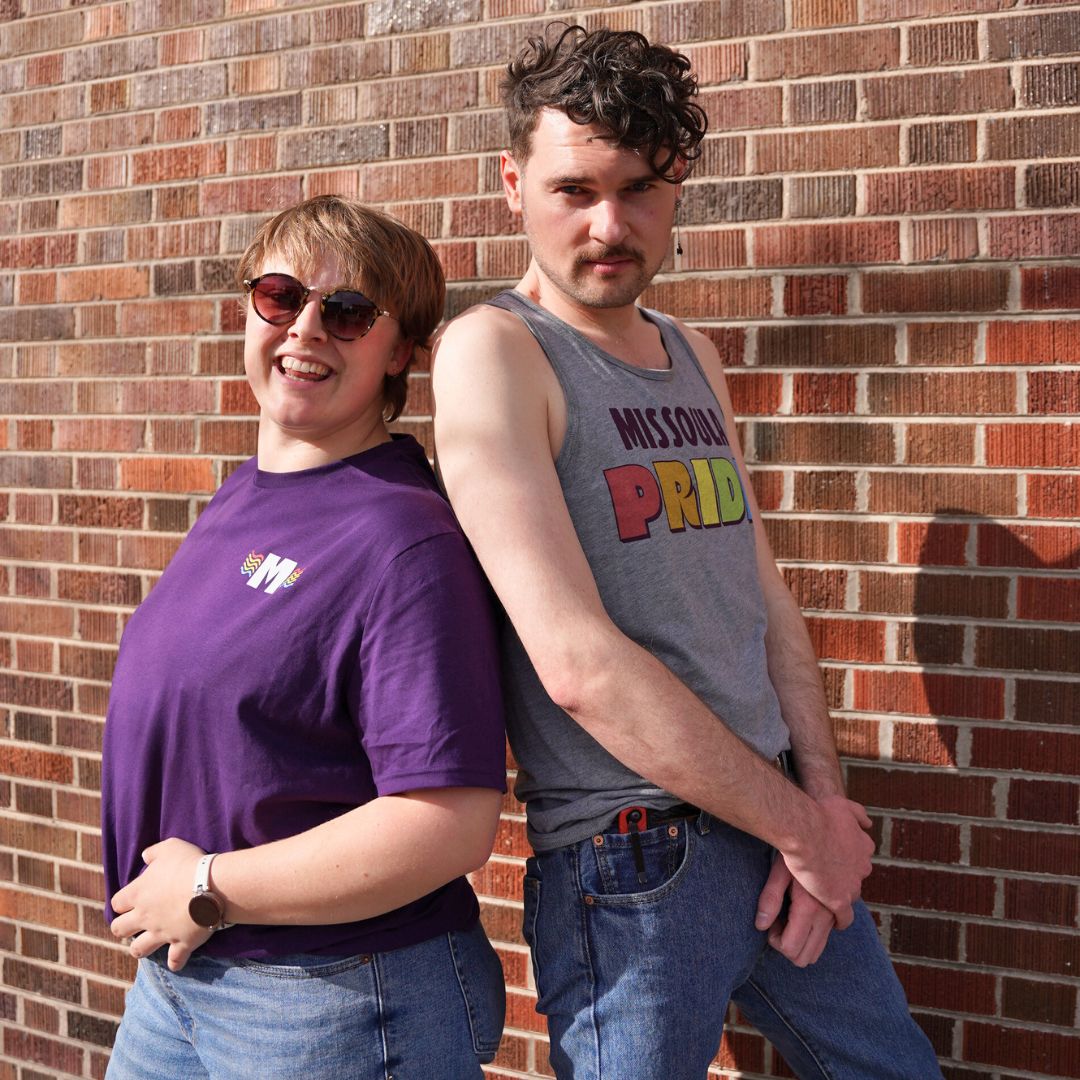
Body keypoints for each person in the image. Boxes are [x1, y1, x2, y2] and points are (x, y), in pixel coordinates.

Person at [432, 25, 943, 1080]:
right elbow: (575, 664)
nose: (610, 224)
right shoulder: (498, 353)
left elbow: (762, 599)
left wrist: (820, 802)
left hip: (774, 818)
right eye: (575, 189)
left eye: (641, 188)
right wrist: (802, 827)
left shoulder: (692, 355)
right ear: (513, 180)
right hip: (634, 860)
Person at [102, 195, 507, 1080]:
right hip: (183, 987)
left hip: (333, 999)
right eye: (282, 296)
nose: (308, 328)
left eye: (350, 312)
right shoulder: (243, 497)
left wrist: (210, 888)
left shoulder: (403, 537)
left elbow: (450, 823)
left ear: (400, 353)